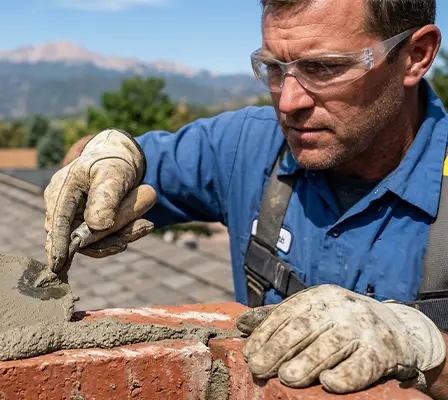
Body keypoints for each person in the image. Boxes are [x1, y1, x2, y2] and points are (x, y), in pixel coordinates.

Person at [43, 0, 448, 397]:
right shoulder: (244, 146)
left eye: (325, 68)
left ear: (416, 54)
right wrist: (105, 158)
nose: (288, 102)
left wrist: (422, 346)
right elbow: (87, 162)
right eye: (274, 68)